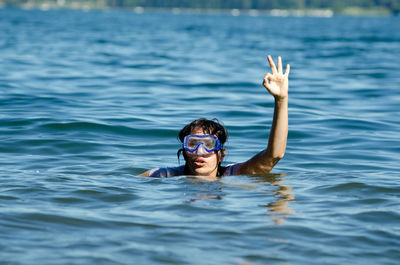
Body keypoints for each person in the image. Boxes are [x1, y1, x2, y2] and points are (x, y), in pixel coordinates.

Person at [140, 55, 290, 178]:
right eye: (192, 144)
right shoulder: (165, 176)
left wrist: (281, 100)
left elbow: (274, 155)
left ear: (221, 154)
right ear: (184, 152)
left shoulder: (232, 174)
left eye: (209, 144)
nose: (200, 152)